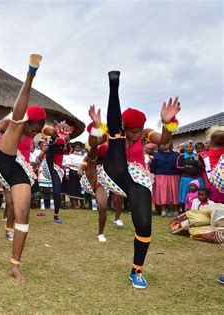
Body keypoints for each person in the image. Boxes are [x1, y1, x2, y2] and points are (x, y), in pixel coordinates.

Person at [0, 54, 70, 283]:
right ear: (26, 121)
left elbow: (58, 135)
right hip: (0, 161)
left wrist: (62, 132)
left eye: (36, 130)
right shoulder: (11, 123)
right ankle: (30, 74)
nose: (32, 133)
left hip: (20, 169)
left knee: (23, 214)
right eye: (31, 129)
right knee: (15, 127)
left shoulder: (38, 129)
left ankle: (14, 266)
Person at [90, 70, 180, 289]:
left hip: (136, 179)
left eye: (140, 131)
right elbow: (94, 145)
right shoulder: (119, 132)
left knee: (144, 225)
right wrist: (95, 127)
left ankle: (136, 271)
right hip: (114, 170)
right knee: (115, 137)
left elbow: (163, 140)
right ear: (126, 126)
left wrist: (168, 124)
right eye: (133, 131)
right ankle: (114, 87)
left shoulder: (146, 133)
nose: (137, 135)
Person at [150, 142, 180, 216]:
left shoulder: (176, 155)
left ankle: (175, 210)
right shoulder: (157, 155)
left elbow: (179, 166)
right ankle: (163, 210)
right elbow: (153, 167)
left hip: (174, 176)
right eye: (162, 143)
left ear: (170, 144)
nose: (164, 145)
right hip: (160, 176)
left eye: (166, 143)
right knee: (162, 193)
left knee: (174, 193)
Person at [177, 141, 205, 210]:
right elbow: (178, 167)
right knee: (185, 195)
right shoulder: (181, 156)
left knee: (200, 195)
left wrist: (198, 160)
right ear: (185, 148)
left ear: (193, 148)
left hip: (197, 178)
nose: (189, 148)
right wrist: (185, 167)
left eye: (191, 146)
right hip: (186, 178)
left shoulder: (197, 156)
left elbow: (203, 166)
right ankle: (184, 210)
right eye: (187, 147)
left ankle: (200, 209)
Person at [63, 141, 85, 209]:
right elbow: (67, 165)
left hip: (81, 173)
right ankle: (73, 204)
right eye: (76, 147)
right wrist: (67, 174)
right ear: (74, 148)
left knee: (81, 188)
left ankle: (82, 204)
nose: (78, 148)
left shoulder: (84, 155)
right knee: (72, 188)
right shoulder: (71, 156)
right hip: (72, 172)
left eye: (79, 147)